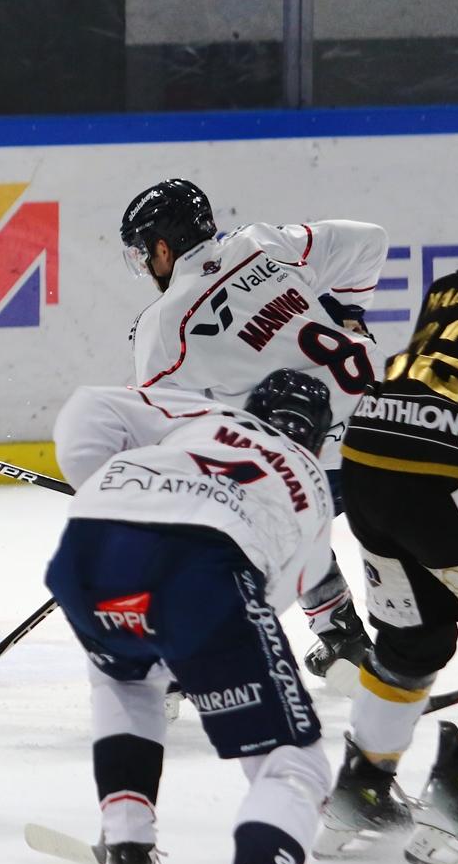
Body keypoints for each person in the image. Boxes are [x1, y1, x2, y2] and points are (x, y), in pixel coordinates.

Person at [45, 370, 363, 864]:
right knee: (292, 762)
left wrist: (109, 491)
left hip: (87, 547)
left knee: (125, 680)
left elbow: (90, 404)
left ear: (252, 406)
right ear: (319, 441)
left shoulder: (204, 415)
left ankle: (128, 842)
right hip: (205, 569)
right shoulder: (314, 486)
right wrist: (199, 654)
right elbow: (274, 595)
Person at [121, 179, 388, 677]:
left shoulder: (163, 325)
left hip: (321, 462)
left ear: (162, 248)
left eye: (144, 253)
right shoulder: (262, 242)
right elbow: (369, 240)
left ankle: (177, 668)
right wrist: (348, 315)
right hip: (387, 425)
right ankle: (345, 637)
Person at [317, 263, 458, 864]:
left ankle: (362, 791)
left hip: (370, 454)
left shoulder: (452, 283)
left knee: (414, 641)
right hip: (446, 472)